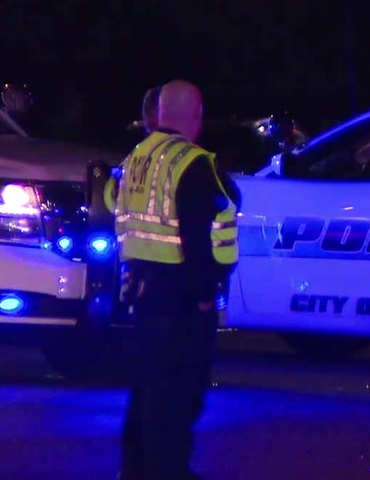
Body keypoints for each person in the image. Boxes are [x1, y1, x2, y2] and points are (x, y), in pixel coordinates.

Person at [107, 80, 240, 480]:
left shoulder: (135, 157)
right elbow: (205, 232)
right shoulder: (194, 162)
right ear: (195, 116)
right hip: (182, 301)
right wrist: (205, 294)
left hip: (142, 295)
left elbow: (114, 203)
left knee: (148, 389)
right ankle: (168, 472)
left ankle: (136, 470)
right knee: (179, 396)